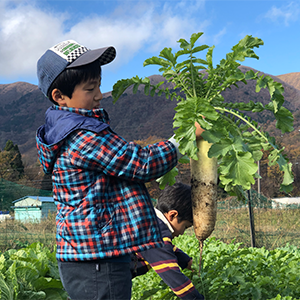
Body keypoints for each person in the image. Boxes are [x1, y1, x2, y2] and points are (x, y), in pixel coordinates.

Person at [36, 40, 203, 300]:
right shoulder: (82, 136)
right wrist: (184, 139)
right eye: (90, 89)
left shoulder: (67, 132)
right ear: (60, 96)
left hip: (85, 256)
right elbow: (141, 163)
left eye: (99, 85)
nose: (99, 94)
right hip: (98, 258)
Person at [131, 182, 205, 300]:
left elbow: (166, 250)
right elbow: (174, 277)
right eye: (185, 227)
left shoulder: (149, 221)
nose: (182, 233)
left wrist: (186, 261)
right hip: (107, 275)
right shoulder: (155, 232)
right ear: (172, 215)